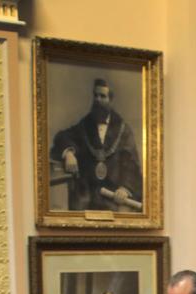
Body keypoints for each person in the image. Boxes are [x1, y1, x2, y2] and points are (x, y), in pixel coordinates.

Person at [49, 78, 143, 212]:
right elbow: (62, 136)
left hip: (114, 196)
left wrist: (125, 188)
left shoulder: (123, 130)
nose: (97, 99)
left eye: (102, 96)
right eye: (95, 95)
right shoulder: (85, 125)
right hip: (88, 195)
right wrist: (69, 153)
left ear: (110, 100)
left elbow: (132, 163)